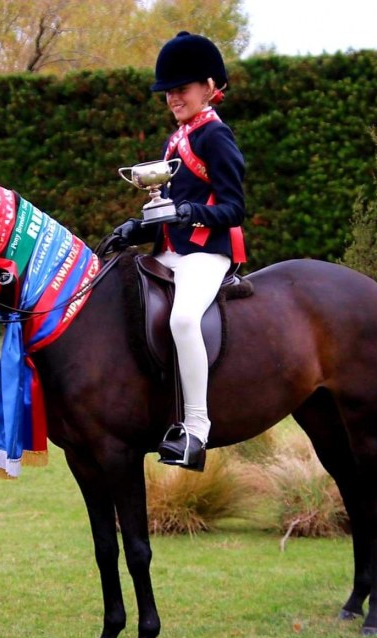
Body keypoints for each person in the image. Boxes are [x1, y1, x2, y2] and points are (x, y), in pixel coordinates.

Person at [113, 31, 247, 472]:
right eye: (168, 91)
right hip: (170, 253)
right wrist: (137, 226)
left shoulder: (214, 137)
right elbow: (167, 208)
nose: (173, 97)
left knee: (184, 319)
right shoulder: (175, 140)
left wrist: (189, 211)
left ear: (209, 87)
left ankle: (195, 428)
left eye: (181, 89)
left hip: (206, 255)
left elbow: (234, 207)